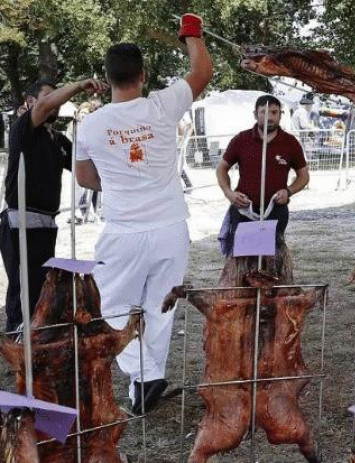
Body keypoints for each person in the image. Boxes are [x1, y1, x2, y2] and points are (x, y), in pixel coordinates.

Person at [75, 14, 212, 414]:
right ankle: (144, 381)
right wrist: (190, 31)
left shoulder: (93, 123)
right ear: (143, 75)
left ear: (108, 76)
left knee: (107, 306)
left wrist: (121, 182)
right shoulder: (162, 105)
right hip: (171, 225)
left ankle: (144, 374)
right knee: (159, 308)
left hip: (125, 229)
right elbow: (202, 70)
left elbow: (85, 178)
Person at [1, 77, 107, 333]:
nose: (56, 104)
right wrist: (79, 86)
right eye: (50, 97)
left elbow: (86, 172)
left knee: (42, 285)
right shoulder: (23, 128)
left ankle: (37, 337)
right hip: (20, 221)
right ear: (30, 102)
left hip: (47, 223)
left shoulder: (58, 139)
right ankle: (17, 337)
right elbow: (45, 106)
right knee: (22, 287)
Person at [216, 95, 309, 256]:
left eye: (274, 112)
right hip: (243, 208)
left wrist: (289, 191)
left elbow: (303, 176)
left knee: (271, 259)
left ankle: (269, 281)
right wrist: (229, 193)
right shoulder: (241, 140)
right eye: (263, 112)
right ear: (255, 114)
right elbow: (221, 169)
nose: (269, 117)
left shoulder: (290, 143)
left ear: (280, 115)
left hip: (276, 210)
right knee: (243, 258)